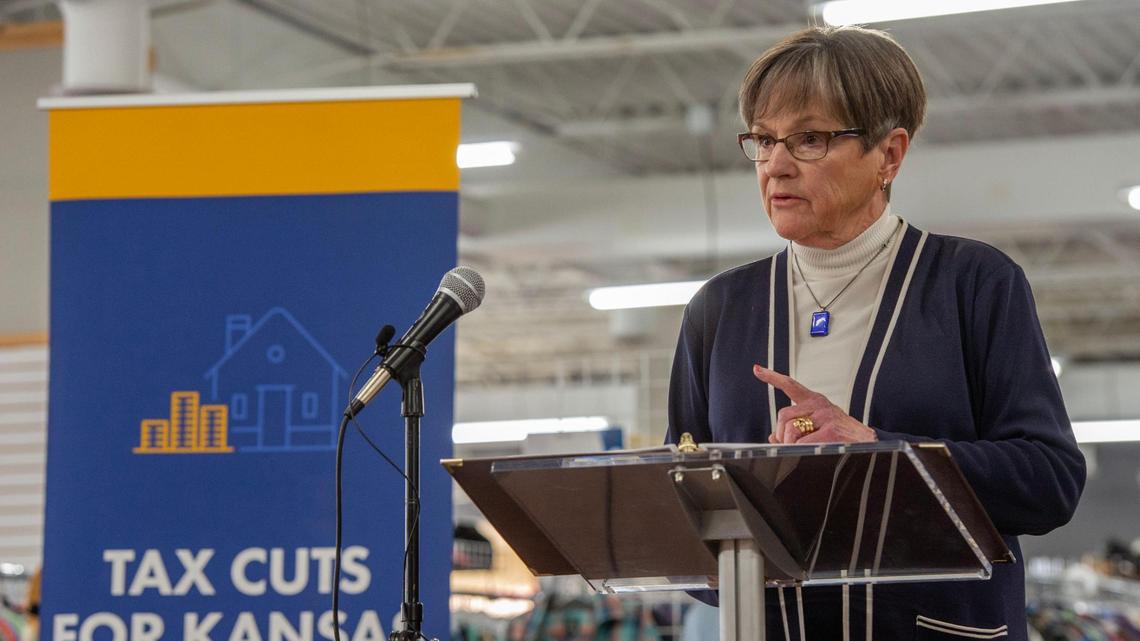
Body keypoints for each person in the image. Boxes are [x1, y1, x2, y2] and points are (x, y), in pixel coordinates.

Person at [666, 25, 1086, 641]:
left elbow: (1048, 481)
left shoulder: (972, 283)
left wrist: (878, 450)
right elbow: (681, 512)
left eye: (808, 139)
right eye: (762, 140)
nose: (776, 164)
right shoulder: (719, 309)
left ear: (889, 154)